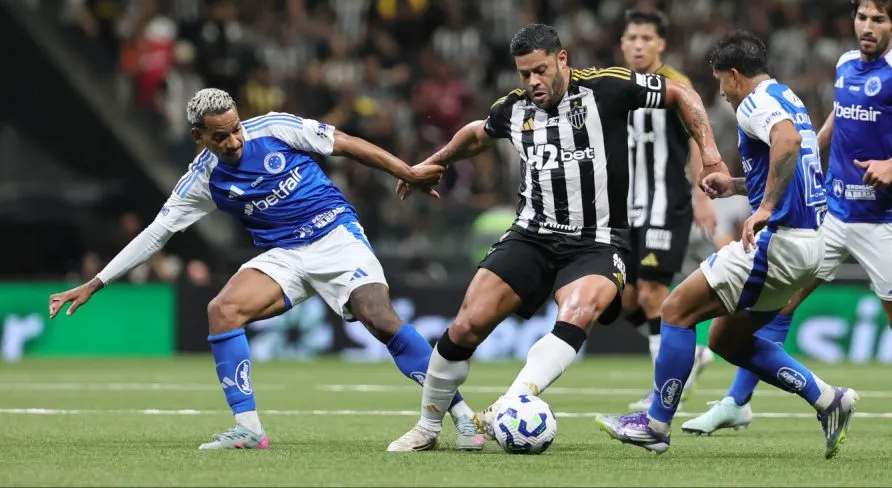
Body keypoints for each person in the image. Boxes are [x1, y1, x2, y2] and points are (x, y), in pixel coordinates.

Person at [47, 89, 485, 451]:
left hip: (334, 233)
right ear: (199, 137)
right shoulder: (201, 180)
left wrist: (407, 171)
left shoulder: (276, 127)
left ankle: (461, 416)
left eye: (236, 128)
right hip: (284, 254)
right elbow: (155, 235)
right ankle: (249, 428)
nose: (234, 141)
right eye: (220, 137)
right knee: (222, 310)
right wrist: (96, 281)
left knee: (380, 318)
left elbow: (347, 144)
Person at [386, 23, 729, 452]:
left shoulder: (607, 87)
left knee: (579, 310)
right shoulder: (513, 109)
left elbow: (682, 94)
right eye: (524, 73)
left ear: (562, 60)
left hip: (599, 239)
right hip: (530, 235)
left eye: (540, 70)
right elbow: (478, 133)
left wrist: (712, 158)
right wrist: (432, 163)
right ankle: (428, 427)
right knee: (467, 325)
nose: (532, 82)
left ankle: (511, 403)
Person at [682, 0, 892, 440]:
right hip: (833, 213)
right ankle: (736, 402)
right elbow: (831, 123)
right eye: (862, 16)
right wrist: (806, 153)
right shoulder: (846, 64)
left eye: (878, 19)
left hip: (883, 219)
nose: (867, 26)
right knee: (779, 301)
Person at [597, 30, 858, 460]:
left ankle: (656, 424)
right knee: (725, 340)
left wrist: (764, 210)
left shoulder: (755, 103)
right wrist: (739, 186)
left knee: (675, 311)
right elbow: (790, 159)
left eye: (721, 83)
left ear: (735, 76)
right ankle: (828, 399)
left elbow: (787, 144)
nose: (722, 93)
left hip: (777, 241)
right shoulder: (788, 97)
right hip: (810, 244)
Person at [618, 9, 717, 410]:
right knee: (623, 298)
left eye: (646, 38)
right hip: (627, 208)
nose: (639, 45)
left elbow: (696, 136)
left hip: (667, 201)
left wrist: (702, 193)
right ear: (622, 44)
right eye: (632, 38)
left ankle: (663, 391)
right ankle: (687, 354)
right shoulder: (618, 83)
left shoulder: (676, 84)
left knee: (651, 290)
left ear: (661, 43)